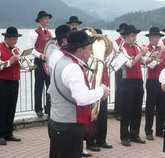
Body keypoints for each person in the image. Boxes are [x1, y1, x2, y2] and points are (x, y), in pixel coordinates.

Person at [47, 30, 110, 158]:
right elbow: (81, 98)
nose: (91, 52)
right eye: (89, 48)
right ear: (79, 51)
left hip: (57, 122)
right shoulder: (73, 68)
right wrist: (101, 90)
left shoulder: (61, 61)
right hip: (68, 126)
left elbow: (50, 90)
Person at [84, 29, 114, 153]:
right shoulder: (89, 57)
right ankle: (90, 141)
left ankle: (101, 139)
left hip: (103, 86)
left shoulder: (102, 55)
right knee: (92, 116)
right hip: (94, 87)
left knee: (102, 115)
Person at [118, 24, 148, 146]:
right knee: (126, 110)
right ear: (125, 36)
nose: (134, 38)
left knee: (137, 109)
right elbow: (130, 63)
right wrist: (141, 53)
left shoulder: (135, 47)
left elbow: (144, 61)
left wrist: (152, 57)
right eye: (131, 35)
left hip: (138, 81)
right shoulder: (122, 49)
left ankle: (134, 134)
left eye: (135, 35)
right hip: (127, 82)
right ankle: (124, 136)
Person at [0, 27, 23, 146]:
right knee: (2, 109)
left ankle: (8, 133)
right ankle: (0, 134)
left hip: (14, 81)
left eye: (16, 39)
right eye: (13, 39)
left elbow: (21, 65)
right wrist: (9, 62)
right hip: (2, 82)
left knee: (11, 108)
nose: (15, 42)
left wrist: (21, 60)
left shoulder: (16, 49)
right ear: (6, 38)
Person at [143, 26, 165, 140]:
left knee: (162, 107)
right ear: (150, 38)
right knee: (150, 107)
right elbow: (151, 65)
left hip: (162, 81)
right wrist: (160, 53)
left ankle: (160, 129)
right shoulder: (147, 49)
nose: (156, 39)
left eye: (157, 37)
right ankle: (148, 131)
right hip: (152, 81)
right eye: (153, 37)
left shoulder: (161, 48)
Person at [27, 10, 54, 117]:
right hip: (39, 61)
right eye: (45, 18)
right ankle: (38, 109)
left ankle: (49, 107)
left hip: (48, 62)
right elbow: (30, 48)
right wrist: (39, 55)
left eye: (48, 18)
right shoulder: (33, 33)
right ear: (40, 20)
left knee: (50, 85)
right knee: (39, 85)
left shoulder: (51, 33)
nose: (47, 20)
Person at [113, 23, 128, 121]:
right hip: (119, 69)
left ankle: (125, 111)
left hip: (128, 68)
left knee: (127, 91)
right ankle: (117, 112)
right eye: (122, 32)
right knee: (119, 90)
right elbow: (116, 53)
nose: (123, 33)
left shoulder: (130, 42)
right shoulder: (116, 42)